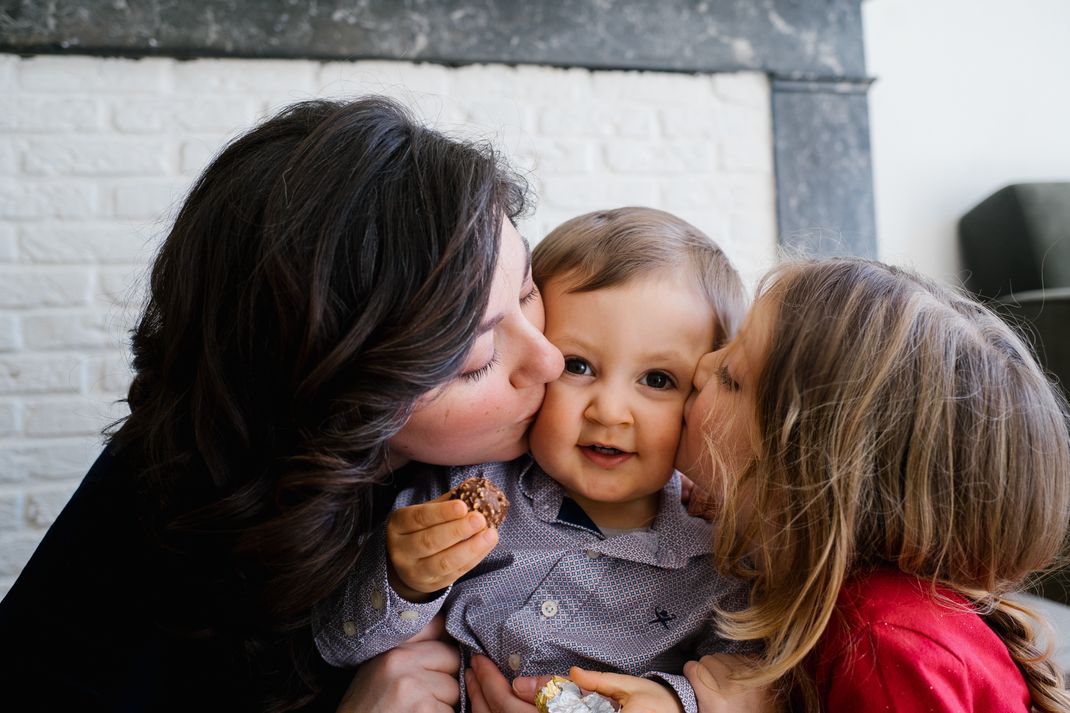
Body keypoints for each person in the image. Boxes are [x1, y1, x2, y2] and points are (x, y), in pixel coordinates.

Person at [0, 96, 564, 713]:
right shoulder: (161, 514)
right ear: (341, 396)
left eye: (529, 287)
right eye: (478, 358)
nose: (549, 361)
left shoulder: (572, 452)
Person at [479, 257, 1070, 713]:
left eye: (732, 376)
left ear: (799, 474)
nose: (703, 366)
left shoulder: (885, 638)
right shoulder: (779, 561)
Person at [314, 207, 751, 713]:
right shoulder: (464, 486)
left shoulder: (722, 558)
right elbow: (339, 644)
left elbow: (744, 681)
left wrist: (677, 704)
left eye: (657, 380)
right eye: (577, 365)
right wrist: (403, 582)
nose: (609, 410)